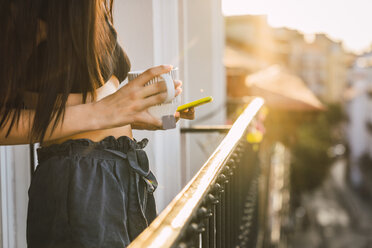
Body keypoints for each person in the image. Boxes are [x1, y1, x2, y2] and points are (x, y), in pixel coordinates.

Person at [0, 1, 194, 247]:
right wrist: (105, 112)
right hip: (80, 180)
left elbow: (97, 102)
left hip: (123, 171)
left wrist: (132, 114)